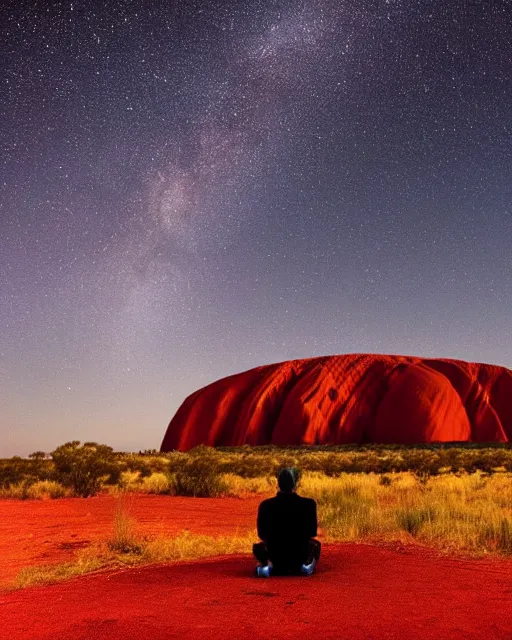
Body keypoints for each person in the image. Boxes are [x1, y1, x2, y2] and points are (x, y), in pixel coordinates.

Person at [253, 467, 321, 577]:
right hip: (299, 555)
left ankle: (268, 565)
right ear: (295, 484)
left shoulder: (265, 505)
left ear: (278, 484)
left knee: (258, 547)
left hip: (275, 555)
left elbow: (261, 534)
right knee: (315, 545)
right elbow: (312, 532)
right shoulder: (309, 504)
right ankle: (305, 565)